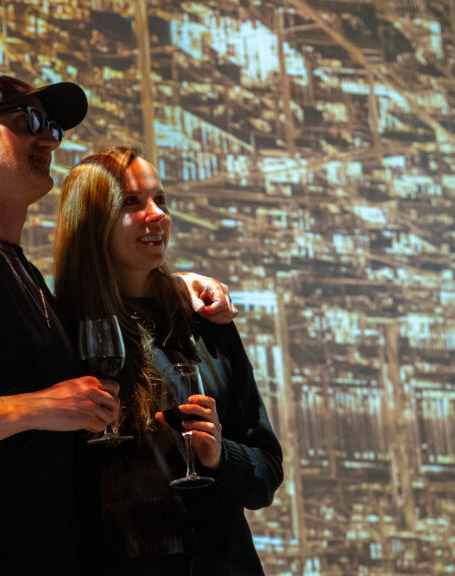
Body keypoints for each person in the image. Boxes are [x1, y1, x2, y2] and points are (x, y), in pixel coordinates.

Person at [0, 76, 236, 574]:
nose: (49, 139)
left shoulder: (23, 274)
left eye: (52, 127)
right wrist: (37, 408)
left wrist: (175, 284)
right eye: (29, 122)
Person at [53, 147, 283, 575]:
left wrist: (220, 456)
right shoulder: (58, 330)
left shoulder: (204, 321)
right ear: (90, 223)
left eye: (162, 200)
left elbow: (266, 475)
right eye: (131, 203)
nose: (157, 215)